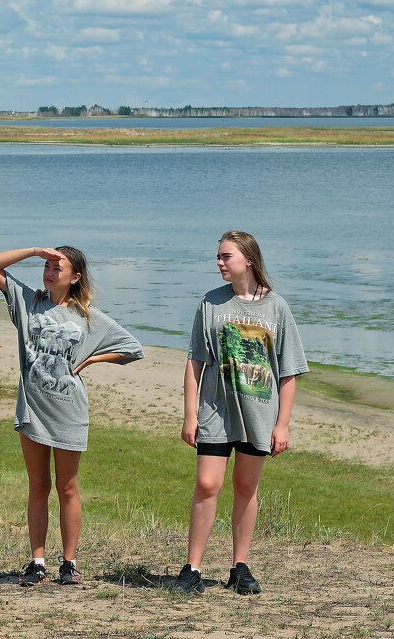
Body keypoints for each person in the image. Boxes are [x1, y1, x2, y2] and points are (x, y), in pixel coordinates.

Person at [0, 246, 144, 587]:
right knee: (38, 486)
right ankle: (37, 561)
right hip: (32, 411)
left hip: (69, 412)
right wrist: (32, 251)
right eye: (46, 265)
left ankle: (69, 564)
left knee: (67, 486)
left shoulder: (88, 317)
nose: (49, 271)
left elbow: (133, 348)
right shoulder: (28, 303)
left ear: (75, 277)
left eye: (58, 267)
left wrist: (91, 360)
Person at [173, 230, 308, 595]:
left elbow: (288, 371)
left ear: (247, 260)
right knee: (207, 485)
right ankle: (192, 568)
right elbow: (195, 361)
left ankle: (240, 567)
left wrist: (282, 425)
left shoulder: (276, 306)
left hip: (259, 413)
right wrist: (190, 414)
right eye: (218, 256)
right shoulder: (211, 303)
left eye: (225, 257)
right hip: (216, 410)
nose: (219, 263)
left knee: (246, 487)